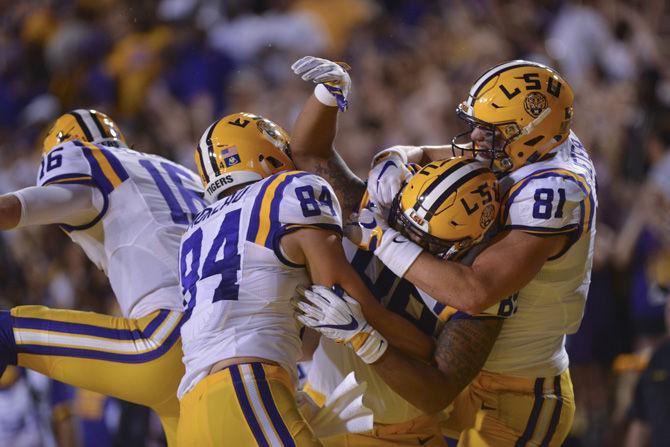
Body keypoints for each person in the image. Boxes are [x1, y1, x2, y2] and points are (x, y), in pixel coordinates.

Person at [292, 57, 596, 446]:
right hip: (446, 381)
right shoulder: (527, 145)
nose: (476, 142)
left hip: (514, 391)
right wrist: (399, 157)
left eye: (491, 134)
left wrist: (383, 239)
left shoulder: (553, 190)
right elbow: (318, 158)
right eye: (478, 129)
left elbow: (475, 292)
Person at [175, 112, 441, 446]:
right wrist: (428, 348)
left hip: (193, 411)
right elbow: (346, 299)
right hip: (249, 390)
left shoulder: (194, 230)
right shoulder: (292, 188)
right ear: (269, 151)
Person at [0, 109, 207, 445]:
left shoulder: (86, 160)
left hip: (169, 337)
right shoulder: (180, 174)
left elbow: (11, 210)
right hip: (221, 342)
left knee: (4, 333)